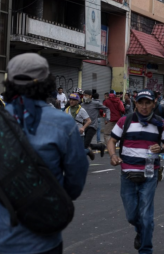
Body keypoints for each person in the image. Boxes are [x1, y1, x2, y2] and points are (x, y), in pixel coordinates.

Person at [0, 54, 88, 254]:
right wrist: (47, 194)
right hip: (42, 239)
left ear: (9, 83)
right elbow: (75, 182)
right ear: (48, 83)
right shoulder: (63, 124)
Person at [107, 89, 164, 253]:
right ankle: (141, 231)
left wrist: (161, 148)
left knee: (146, 215)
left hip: (150, 173)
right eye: (141, 103)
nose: (144, 107)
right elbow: (112, 140)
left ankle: (145, 249)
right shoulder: (125, 121)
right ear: (135, 104)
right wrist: (113, 155)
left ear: (153, 104)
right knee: (131, 215)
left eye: (148, 103)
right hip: (127, 174)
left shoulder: (160, 123)